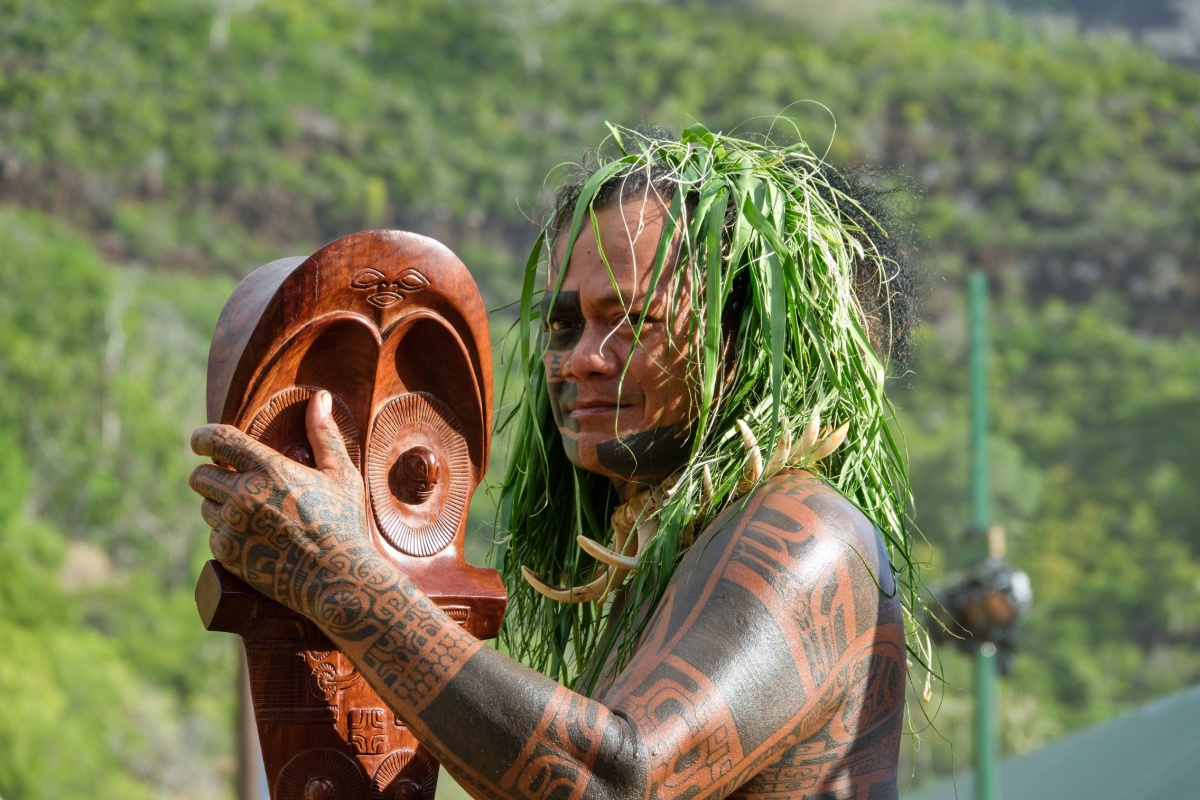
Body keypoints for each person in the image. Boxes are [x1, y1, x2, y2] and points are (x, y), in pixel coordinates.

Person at [190, 123, 920, 799]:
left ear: (741, 340)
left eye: (631, 320)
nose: (582, 360)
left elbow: (615, 783)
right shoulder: (672, 561)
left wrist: (335, 572)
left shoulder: (807, 532)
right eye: (564, 324)